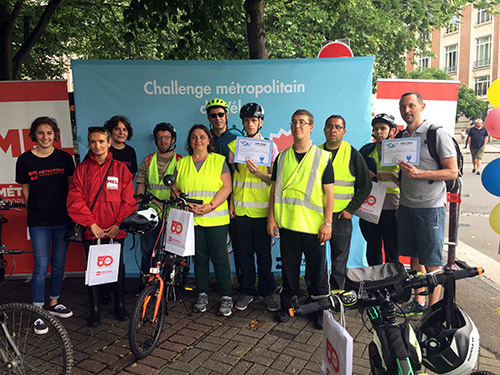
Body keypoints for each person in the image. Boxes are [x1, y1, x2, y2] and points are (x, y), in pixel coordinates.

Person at [267, 109, 334, 329]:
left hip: (315, 228)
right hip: (288, 225)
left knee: (317, 274)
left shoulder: (323, 157)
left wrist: (327, 223)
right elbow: (274, 189)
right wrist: (271, 219)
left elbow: (329, 193)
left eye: (302, 122)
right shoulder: (283, 156)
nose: (297, 126)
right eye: (294, 122)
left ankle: (320, 310)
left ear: (311, 127)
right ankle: (288, 305)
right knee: (289, 271)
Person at [67, 127, 136, 327]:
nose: (97, 146)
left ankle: (119, 305)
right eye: (93, 142)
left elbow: (128, 200)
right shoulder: (82, 169)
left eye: (101, 142)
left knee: (118, 266)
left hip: (116, 229)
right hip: (93, 229)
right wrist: (91, 224)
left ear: (108, 143)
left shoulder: (120, 169)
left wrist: (118, 224)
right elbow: (75, 199)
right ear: (89, 144)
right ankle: (95, 308)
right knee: (93, 268)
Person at [397, 92, 458, 316]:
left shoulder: (436, 134)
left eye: (411, 105)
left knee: (432, 261)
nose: (407, 110)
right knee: (414, 256)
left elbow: (452, 171)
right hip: (407, 206)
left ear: (422, 106)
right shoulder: (403, 136)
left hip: (430, 207)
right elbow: (403, 175)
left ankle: (433, 311)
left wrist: (420, 173)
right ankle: (419, 300)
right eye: (403, 106)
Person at [15, 116, 75, 334]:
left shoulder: (65, 159)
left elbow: (71, 189)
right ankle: (38, 310)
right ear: (34, 135)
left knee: (59, 264)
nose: (45, 137)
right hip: (39, 222)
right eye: (41, 133)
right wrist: (32, 215)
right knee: (40, 266)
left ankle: (54, 302)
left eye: (49, 133)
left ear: (55, 135)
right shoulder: (24, 160)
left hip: (62, 220)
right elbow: (25, 191)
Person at [173, 125, 233, 317]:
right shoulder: (182, 163)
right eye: (193, 137)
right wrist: (184, 203)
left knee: (220, 259)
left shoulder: (219, 160)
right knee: (199, 259)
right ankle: (202, 293)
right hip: (192, 219)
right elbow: (174, 188)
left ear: (209, 140)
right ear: (189, 141)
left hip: (215, 219)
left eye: (202, 137)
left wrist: (210, 206)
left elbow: (227, 187)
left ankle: (226, 296)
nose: (198, 140)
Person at [228, 103, 279, 312]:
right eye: (246, 121)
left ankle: (267, 292)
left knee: (264, 255)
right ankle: (247, 291)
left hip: (262, 211)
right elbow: (233, 177)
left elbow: (274, 179)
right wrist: (231, 203)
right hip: (240, 210)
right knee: (244, 255)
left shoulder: (270, 147)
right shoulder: (234, 146)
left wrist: (259, 173)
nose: (250, 124)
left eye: (253, 120)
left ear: (261, 123)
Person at [318, 115, 371, 289]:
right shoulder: (315, 153)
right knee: (316, 257)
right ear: (324, 129)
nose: (333, 130)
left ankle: (337, 292)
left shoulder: (352, 154)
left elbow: (366, 185)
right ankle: (317, 291)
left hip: (341, 216)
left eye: (338, 127)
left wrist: (351, 209)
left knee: (339, 259)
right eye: (330, 126)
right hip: (317, 215)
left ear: (344, 131)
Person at [135, 123, 182, 276]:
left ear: (173, 139)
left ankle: (170, 284)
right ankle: (147, 283)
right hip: (151, 212)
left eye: (167, 137)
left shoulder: (181, 161)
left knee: (173, 252)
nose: (163, 141)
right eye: (159, 138)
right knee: (148, 251)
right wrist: (138, 209)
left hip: (173, 214)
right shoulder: (148, 161)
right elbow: (141, 184)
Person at [359, 113, 400, 266]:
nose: (379, 132)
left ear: (392, 131)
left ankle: (394, 283)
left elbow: (407, 177)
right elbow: (354, 173)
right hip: (371, 205)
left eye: (383, 128)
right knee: (372, 247)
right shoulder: (366, 150)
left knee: (392, 249)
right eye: (376, 129)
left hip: (392, 205)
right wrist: (365, 174)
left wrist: (391, 176)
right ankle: (375, 283)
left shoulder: (400, 149)